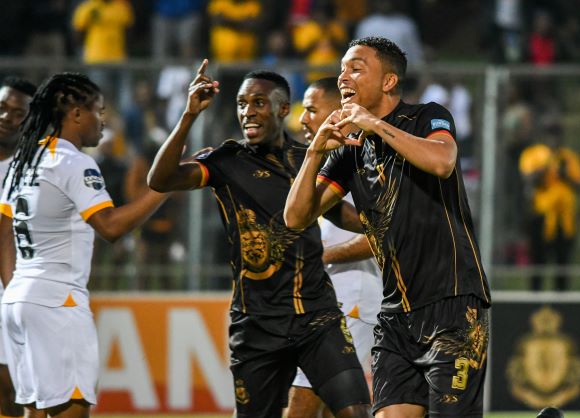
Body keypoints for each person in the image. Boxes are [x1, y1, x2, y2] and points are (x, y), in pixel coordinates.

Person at [148, 61, 371, 418]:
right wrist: (189, 116)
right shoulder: (225, 161)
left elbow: (338, 214)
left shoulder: (307, 159)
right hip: (256, 324)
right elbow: (160, 179)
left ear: (283, 109)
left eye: (258, 103)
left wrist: (392, 224)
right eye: (241, 104)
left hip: (317, 316)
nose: (247, 112)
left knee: (357, 411)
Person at [284, 37, 491, 417]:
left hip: (453, 306)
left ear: (389, 81)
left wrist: (375, 125)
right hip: (395, 314)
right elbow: (296, 217)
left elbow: (442, 161)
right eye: (343, 67)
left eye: (356, 68)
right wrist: (315, 150)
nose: (343, 76)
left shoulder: (428, 116)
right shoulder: (349, 149)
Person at [0, 72, 168, 418]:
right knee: (71, 411)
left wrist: (13, 291)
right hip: (57, 302)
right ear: (76, 113)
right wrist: (166, 187)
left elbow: (4, 232)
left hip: (17, 299)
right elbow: (110, 227)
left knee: (34, 411)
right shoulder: (73, 162)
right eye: (99, 110)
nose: (103, 121)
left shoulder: (22, 160)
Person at [285, 78, 382, 418]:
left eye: (312, 110)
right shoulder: (329, 160)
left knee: (302, 404)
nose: (303, 119)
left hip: (352, 296)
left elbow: (381, 235)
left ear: (337, 110)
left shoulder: (360, 159)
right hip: (330, 298)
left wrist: (323, 256)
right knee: (337, 409)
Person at [0, 76, 37, 418]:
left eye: (16, 113)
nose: (6, 117)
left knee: (13, 387)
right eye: (1, 108)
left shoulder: (36, 170)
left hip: (15, 290)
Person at [519, 122, 580, 291]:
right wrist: (544, 169)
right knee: (538, 260)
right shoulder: (534, 154)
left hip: (565, 217)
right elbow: (527, 180)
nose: (554, 138)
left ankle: (562, 302)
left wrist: (565, 175)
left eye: (557, 134)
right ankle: (533, 300)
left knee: (562, 262)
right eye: (550, 134)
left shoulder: (569, 157)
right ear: (544, 136)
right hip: (540, 215)